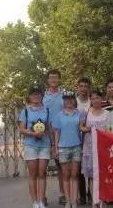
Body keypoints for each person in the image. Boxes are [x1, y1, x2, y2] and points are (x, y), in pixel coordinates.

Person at [18, 85, 52, 208]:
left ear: (41, 96)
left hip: (44, 145)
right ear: (30, 96)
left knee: (42, 173)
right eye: (33, 94)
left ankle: (41, 200)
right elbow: (22, 129)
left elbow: (50, 128)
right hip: (31, 145)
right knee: (33, 175)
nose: (36, 96)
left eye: (38, 94)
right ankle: (35, 202)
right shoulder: (25, 111)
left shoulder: (46, 110)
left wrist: (46, 135)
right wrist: (33, 134)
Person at [52, 90, 83, 208]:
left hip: (76, 146)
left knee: (74, 174)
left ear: (74, 100)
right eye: (66, 99)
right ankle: (68, 200)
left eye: (71, 98)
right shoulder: (59, 115)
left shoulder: (79, 113)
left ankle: (74, 200)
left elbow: (82, 129)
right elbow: (57, 132)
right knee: (65, 174)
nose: (69, 101)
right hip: (63, 148)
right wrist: (55, 148)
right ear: (63, 101)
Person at [80, 90, 109, 208]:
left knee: (103, 174)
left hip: (104, 147)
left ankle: (103, 200)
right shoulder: (86, 112)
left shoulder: (107, 113)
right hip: (90, 147)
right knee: (92, 175)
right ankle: (94, 201)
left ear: (101, 99)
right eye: (93, 98)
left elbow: (110, 129)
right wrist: (89, 129)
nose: (95, 100)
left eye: (97, 98)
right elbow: (81, 127)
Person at [43, 69, 66, 205]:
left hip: (60, 136)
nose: (53, 80)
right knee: (42, 167)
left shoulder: (64, 96)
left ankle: (62, 194)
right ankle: (42, 196)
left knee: (61, 166)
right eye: (51, 77)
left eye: (56, 77)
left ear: (59, 79)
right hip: (44, 136)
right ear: (48, 80)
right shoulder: (42, 97)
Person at [75, 77, 91, 205]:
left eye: (86, 86)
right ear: (77, 88)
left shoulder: (93, 101)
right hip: (76, 138)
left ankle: (91, 193)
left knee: (91, 167)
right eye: (81, 86)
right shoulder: (73, 102)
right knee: (79, 168)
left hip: (90, 139)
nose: (83, 88)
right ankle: (82, 195)